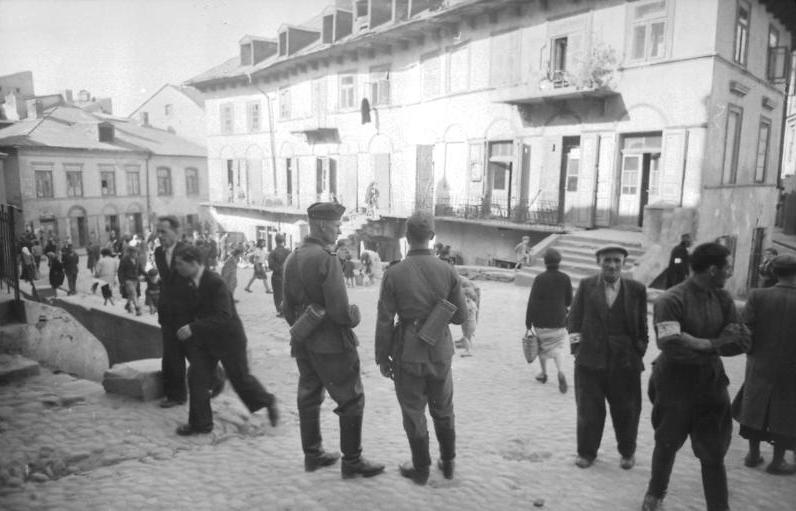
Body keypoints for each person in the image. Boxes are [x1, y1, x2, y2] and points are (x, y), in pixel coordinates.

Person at [642, 243, 751, 511]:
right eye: (727, 267)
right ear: (713, 270)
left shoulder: (724, 299)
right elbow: (672, 347)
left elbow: (742, 341)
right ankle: (654, 496)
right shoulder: (670, 300)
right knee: (666, 443)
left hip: (711, 388)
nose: (729, 273)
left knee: (714, 452)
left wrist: (702, 344)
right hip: (673, 387)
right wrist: (717, 342)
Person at [282, 202, 385, 479]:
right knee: (351, 399)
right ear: (323, 225)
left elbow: (283, 305)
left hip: (303, 341)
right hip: (332, 345)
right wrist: (354, 317)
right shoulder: (326, 258)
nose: (340, 230)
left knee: (309, 396)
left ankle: (312, 456)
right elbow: (340, 311)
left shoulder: (292, 258)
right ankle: (352, 462)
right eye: (337, 225)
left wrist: (303, 326)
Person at [375, 211, 468, 485]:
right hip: (440, 352)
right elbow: (461, 317)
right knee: (444, 408)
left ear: (407, 237)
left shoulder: (394, 273)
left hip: (407, 354)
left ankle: (421, 468)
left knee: (413, 412)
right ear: (432, 237)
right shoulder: (448, 270)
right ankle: (448, 462)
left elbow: (383, 320)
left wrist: (382, 356)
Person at [172, 245, 279, 435]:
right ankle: (201, 424)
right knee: (197, 377)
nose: (177, 267)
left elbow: (224, 316)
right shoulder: (187, 281)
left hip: (230, 340)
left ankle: (267, 401)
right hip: (206, 341)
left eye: (180, 264)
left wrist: (192, 328)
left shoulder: (215, 282)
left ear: (194, 263)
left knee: (241, 380)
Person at [568, 245, 648, 470]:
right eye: (607, 261)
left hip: (626, 363)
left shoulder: (636, 289)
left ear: (624, 263)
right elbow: (573, 319)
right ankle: (586, 453)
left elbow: (642, 326)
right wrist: (577, 351)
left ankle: (627, 452)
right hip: (590, 362)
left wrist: (638, 350)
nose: (612, 265)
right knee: (589, 411)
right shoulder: (586, 286)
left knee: (627, 411)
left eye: (617, 260)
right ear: (599, 262)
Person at [732, 254, 796, 475]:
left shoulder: (758, 295)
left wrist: (751, 351)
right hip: (791, 367)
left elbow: (745, 328)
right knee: (786, 410)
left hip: (760, 362)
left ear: (774, 272)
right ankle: (778, 460)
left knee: (754, 405)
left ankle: (752, 454)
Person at [154, 216, 223, 409]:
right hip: (168, 313)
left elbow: (201, 281)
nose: (160, 236)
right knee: (171, 355)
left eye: (164, 232)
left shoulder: (188, 251)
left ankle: (216, 377)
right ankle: (176, 395)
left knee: (194, 352)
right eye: (158, 232)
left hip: (188, 313)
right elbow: (166, 282)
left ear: (175, 232)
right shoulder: (158, 252)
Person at [525, 248, 573, 393]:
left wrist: (528, 321)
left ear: (545, 262)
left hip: (541, 322)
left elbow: (532, 302)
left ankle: (544, 374)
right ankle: (561, 371)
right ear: (559, 262)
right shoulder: (565, 278)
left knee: (541, 347)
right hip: (559, 321)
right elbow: (569, 301)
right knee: (557, 348)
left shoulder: (539, 279)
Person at [268, 234, 290, 317]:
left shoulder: (273, 253)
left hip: (277, 276)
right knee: (286, 293)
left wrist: (279, 269)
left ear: (275, 241)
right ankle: (287, 309)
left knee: (277, 293)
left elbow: (271, 265)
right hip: (287, 275)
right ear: (283, 241)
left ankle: (280, 310)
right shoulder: (288, 251)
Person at [118, 246, 144, 315]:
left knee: (131, 294)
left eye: (136, 253)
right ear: (130, 253)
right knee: (133, 293)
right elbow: (120, 271)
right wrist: (121, 281)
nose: (136, 254)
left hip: (135, 279)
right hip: (127, 279)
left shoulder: (137, 260)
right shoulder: (124, 260)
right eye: (134, 253)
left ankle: (128, 304)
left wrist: (147, 275)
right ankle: (137, 308)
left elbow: (141, 269)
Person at [458, 277, 479, 357]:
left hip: (468, 324)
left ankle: (468, 351)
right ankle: (468, 347)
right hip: (472, 323)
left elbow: (464, 312)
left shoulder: (467, 304)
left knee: (466, 337)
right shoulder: (473, 303)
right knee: (468, 337)